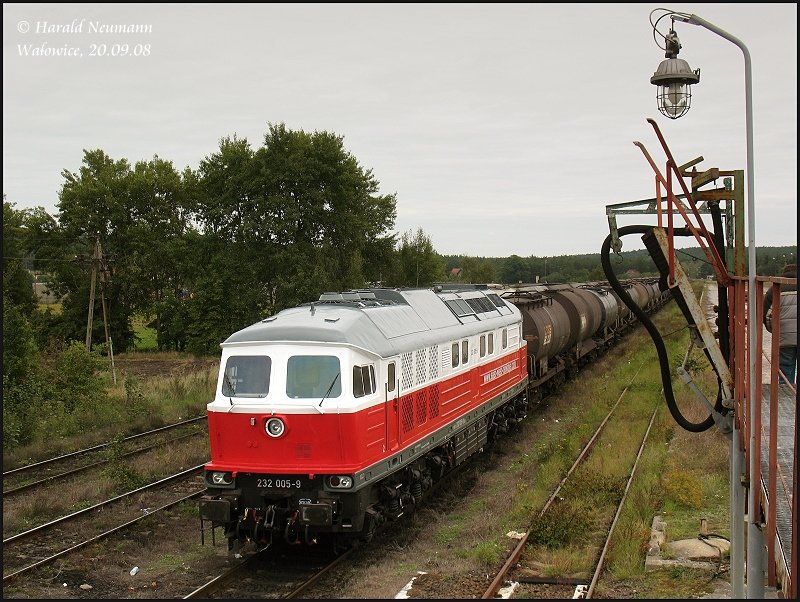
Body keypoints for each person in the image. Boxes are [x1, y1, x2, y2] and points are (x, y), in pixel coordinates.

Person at [763, 263, 797, 384]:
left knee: (785, 370)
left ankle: (785, 394)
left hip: (784, 336)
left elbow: (766, 316)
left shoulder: (775, 288)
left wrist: (775, 330)